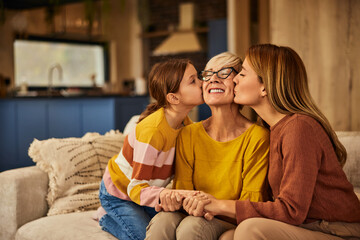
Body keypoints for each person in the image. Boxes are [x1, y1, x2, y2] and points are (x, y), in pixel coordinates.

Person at [182, 44, 360, 239]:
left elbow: (291, 209)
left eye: (242, 74)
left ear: (264, 87)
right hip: (308, 225)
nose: (235, 80)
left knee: (249, 230)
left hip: (336, 229)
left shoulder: (299, 128)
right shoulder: (272, 128)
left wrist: (218, 204)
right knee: (227, 237)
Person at [145, 52, 271, 240]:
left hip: (229, 219)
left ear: (238, 83)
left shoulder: (258, 138)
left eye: (224, 72)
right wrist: (172, 199)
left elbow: (250, 203)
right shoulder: (188, 133)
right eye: (208, 74)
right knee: (163, 220)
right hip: (191, 213)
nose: (213, 79)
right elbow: (183, 190)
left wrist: (206, 205)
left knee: (192, 227)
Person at [98, 58, 204, 240]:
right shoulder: (153, 132)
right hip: (119, 193)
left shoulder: (186, 125)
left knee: (171, 230)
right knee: (143, 237)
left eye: (199, 77)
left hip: (145, 191)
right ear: (173, 98)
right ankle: (106, 219)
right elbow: (136, 188)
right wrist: (169, 194)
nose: (203, 83)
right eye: (193, 80)